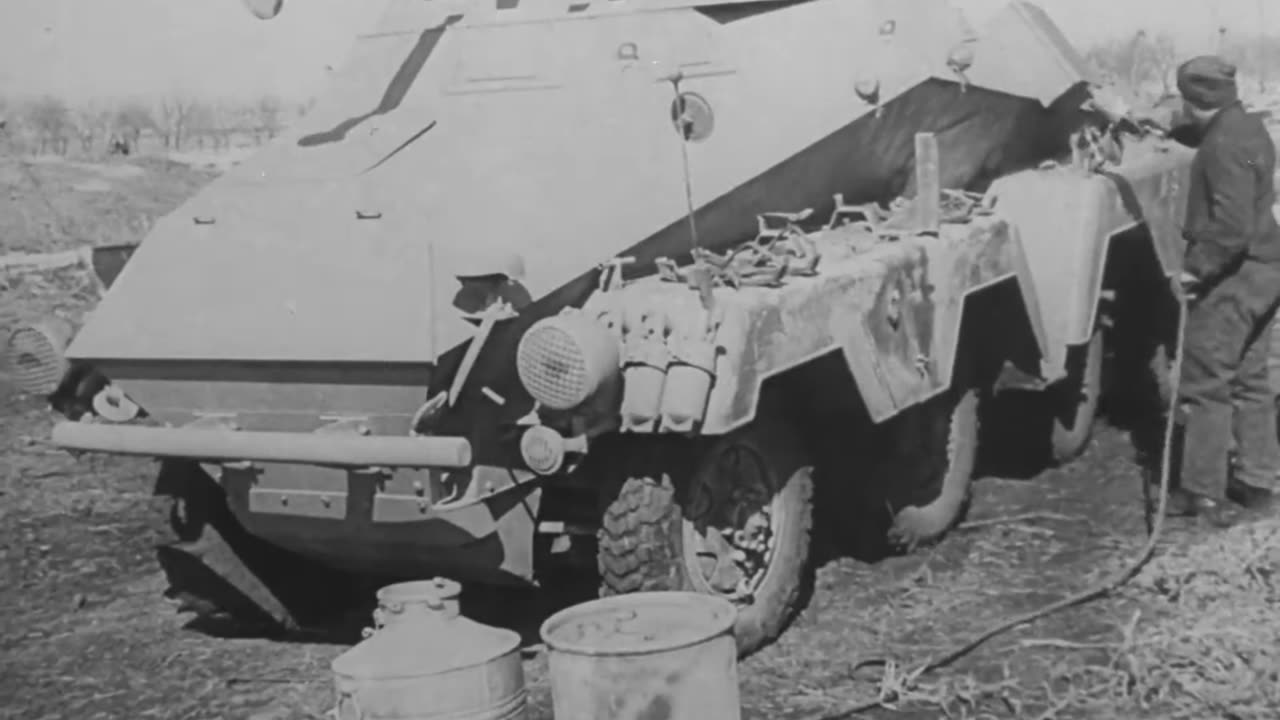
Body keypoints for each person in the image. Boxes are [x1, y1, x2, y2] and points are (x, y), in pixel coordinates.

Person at [1165, 55, 1280, 527]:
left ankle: (1201, 492)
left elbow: (1230, 227)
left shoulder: (1219, 149)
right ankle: (1258, 482)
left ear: (1193, 101)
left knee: (1205, 382)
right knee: (1251, 380)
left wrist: (1195, 271)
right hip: (1268, 269)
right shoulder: (1250, 129)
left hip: (1234, 274)